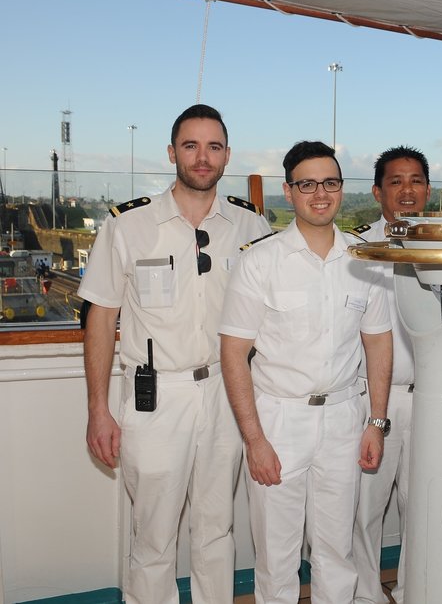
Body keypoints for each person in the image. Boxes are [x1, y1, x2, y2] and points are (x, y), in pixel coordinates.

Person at [79, 104, 271, 604]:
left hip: (226, 394)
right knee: (153, 536)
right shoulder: (129, 225)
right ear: (171, 153)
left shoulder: (250, 226)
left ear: (227, 155)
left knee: (217, 530)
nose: (202, 157)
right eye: (191, 145)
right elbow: (100, 317)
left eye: (213, 147)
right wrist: (98, 409)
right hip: (156, 397)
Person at [218, 141, 393, 604]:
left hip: (343, 417)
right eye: (307, 184)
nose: (320, 194)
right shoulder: (260, 261)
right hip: (278, 420)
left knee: (337, 554)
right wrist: (254, 439)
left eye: (330, 183)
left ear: (342, 189)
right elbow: (233, 353)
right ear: (289, 191)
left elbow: (378, 342)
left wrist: (376, 422)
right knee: (277, 559)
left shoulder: (365, 259)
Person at [348, 146, 431, 604]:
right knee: (364, 510)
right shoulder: (358, 250)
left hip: (431, 396)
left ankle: (414, 592)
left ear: (428, 190)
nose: (407, 190)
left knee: (423, 507)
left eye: (415, 180)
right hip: (371, 399)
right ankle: (366, 597)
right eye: (395, 181)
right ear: (378, 191)